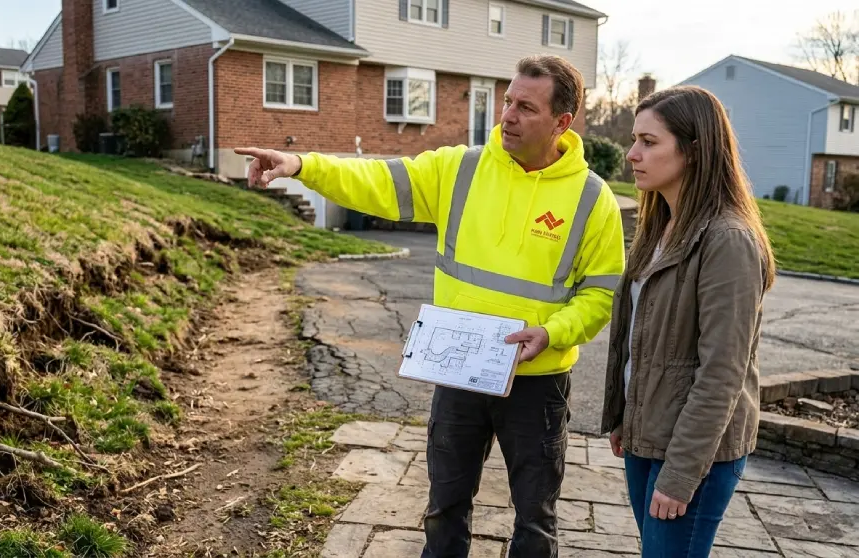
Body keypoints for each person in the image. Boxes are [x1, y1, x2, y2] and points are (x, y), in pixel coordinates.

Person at [236, 55, 626, 558]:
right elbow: (376, 179)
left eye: (525, 107)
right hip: (459, 372)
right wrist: (302, 166)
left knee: (536, 519)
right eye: (507, 100)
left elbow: (600, 295)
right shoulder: (460, 169)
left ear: (561, 122)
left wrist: (552, 333)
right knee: (444, 508)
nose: (506, 115)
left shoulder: (593, 200)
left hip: (537, 382)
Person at [600, 85, 776, 558]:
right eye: (635, 140)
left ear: (694, 149)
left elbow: (722, 373)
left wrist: (680, 476)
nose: (632, 154)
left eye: (649, 142)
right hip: (649, 437)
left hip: (696, 454)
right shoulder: (660, 226)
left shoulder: (728, 240)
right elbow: (643, 340)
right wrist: (625, 416)